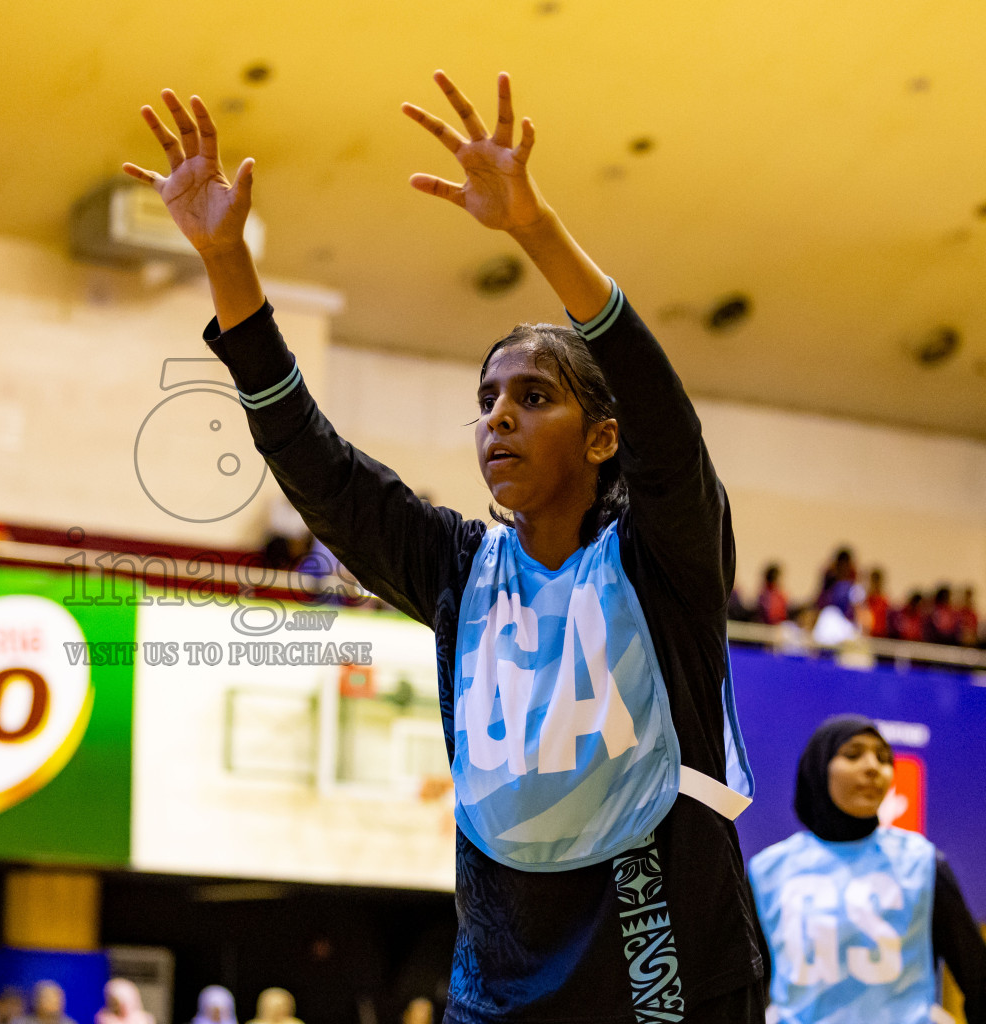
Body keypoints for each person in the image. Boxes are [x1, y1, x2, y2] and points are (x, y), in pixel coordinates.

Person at [124, 69, 759, 1022]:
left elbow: (670, 427)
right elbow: (318, 467)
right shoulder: (459, 568)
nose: (498, 418)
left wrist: (535, 229)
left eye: (533, 397)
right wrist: (229, 264)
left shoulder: (665, 557)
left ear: (602, 436)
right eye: (487, 402)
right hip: (500, 983)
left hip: (660, 975)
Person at [747, 715, 986, 1023]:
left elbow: (978, 979)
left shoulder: (922, 861)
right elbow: (744, 989)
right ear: (818, 767)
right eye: (853, 754)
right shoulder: (768, 870)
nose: (874, 767)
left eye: (884, 758)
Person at [862, 569, 891, 639]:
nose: (875, 583)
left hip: (881, 634)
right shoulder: (866, 599)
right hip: (869, 634)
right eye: (873, 580)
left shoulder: (884, 599)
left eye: (877, 580)